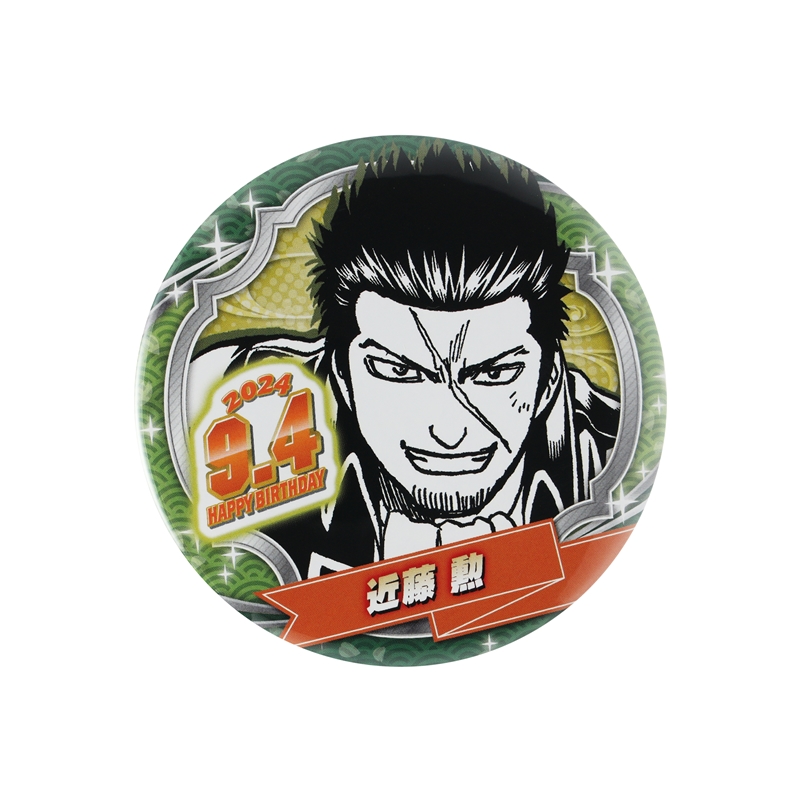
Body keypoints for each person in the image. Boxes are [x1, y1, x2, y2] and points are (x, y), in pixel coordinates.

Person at [198, 143, 619, 579]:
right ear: (342, 374)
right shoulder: (239, 411)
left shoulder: (614, 456)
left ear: (549, 380)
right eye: (399, 371)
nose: (450, 433)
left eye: (495, 373)